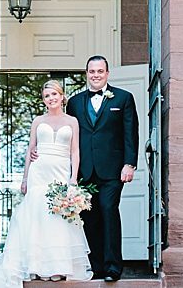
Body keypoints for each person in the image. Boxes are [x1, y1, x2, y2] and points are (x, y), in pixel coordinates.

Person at [0, 80, 92, 288]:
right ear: (44, 100)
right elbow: (30, 149)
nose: (51, 99)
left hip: (61, 171)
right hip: (39, 171)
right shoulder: (38, 120)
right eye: (47, 96)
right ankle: (36, 266)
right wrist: (26, 177)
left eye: (54, 94)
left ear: (62, 97)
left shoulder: (72, 121)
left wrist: (73, 178)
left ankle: (56, 267)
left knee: (58, 218)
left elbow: (75, 151)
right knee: (38, 215)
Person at [65, 55, 139, 282]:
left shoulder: (124, 98)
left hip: (113, 170)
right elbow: (70, 137)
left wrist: (129, 164)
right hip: (85, 171)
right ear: (86, 73)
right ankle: (97, 266)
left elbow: (130, 133)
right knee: (90, 218)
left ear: (107, 73)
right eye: (91, 71)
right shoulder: (75, 102)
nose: (95, 75)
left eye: (100, 71)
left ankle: (113, 267)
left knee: (109, 210)